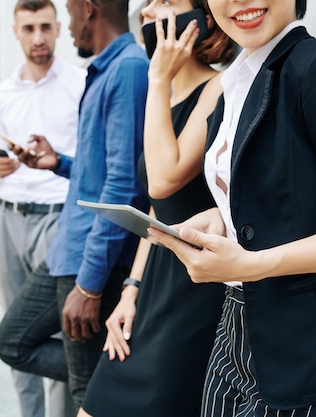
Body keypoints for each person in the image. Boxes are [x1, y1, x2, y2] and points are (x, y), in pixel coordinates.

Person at [149, 1, 316, 416]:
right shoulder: (232, 89)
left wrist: (252, 264)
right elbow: (286, 188)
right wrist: (220, 216)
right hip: (237, 324)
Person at [79, 1, 236, 416]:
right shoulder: (162, 95)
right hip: (152, 288)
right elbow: (156, 207)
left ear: (200, 20)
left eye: (166, 1)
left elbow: (164, 178)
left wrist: (157, 76)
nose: (147, 10)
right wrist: (130, 291)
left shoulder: (220, 88)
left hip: (192, 291)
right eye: (147, 2)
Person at [0, 0, 150, 408]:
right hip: (68, 250)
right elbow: (101, 172)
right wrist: (57, 162)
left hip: (86, 259)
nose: (67, 25)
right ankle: (116, 375)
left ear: (88, 8)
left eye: (67, 12)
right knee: (11, 342)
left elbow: (123, 186)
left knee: (84, 394)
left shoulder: (129, 69)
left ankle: (122, 376)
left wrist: (90, 284)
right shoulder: (104, 70)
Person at [0, 1, 84, 416]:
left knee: (61, 334)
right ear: (15, 32)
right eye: (28, 28)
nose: (37, 37)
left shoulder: (80, 83)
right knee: (16, 330)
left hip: (58, 219)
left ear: (58, 28)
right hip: (7, 219)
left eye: (44, 27)